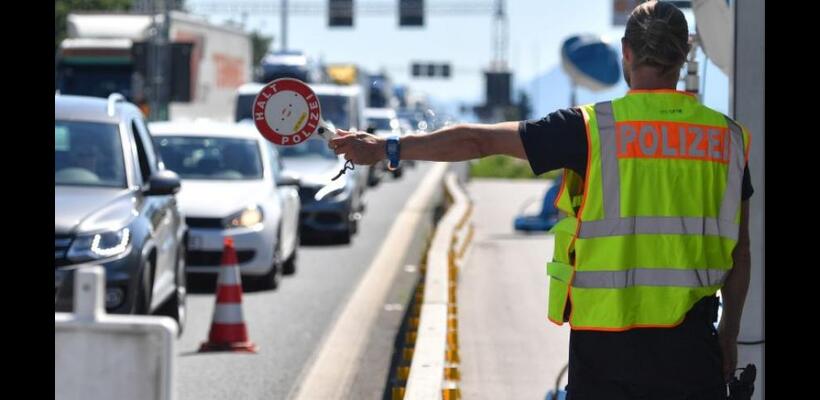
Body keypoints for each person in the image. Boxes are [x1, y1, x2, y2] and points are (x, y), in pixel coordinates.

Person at [328, 2, 753, 399]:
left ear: (626, 52)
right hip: (693, 354)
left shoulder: (590, 129)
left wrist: (387, 148)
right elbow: (742, 252)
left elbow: (479, 140)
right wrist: (728, 334)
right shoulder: (727, 139)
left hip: (605, 357)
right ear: (686, 53)